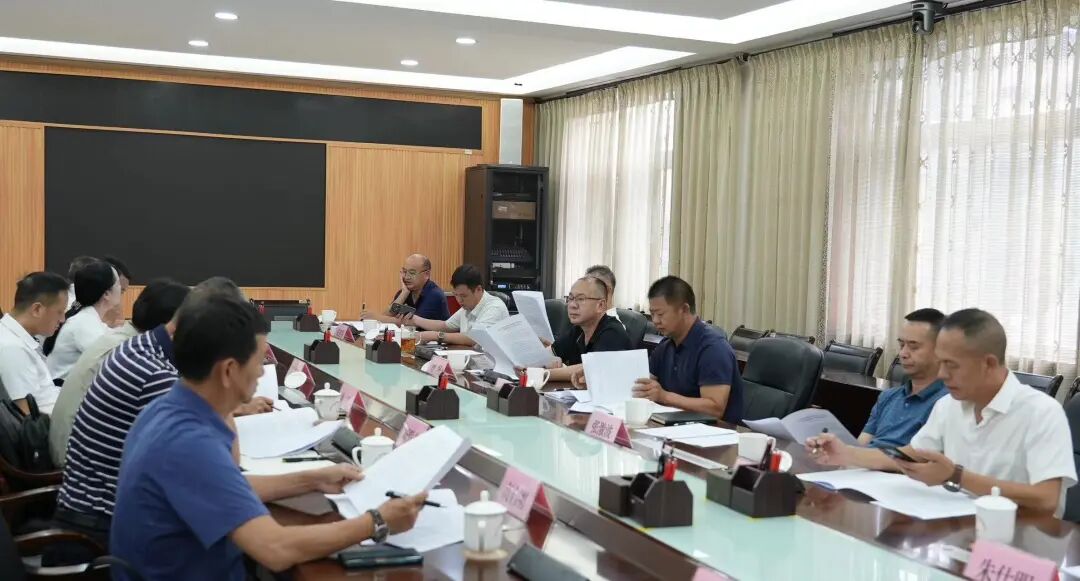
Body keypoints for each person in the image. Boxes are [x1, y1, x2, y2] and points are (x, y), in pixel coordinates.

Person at [110, 294, 426, 578]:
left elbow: (222, 486)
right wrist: (376, 521)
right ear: (228, 370)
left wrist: (312, 479)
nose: (262, 371)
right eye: (259, 360)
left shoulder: (168, 408)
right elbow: (275, 549)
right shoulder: (189, 442)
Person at [51, 278, 273, 560]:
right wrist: (229, 391)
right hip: (100, 529)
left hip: (97, 511)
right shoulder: (156, 374)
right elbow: (231, 472)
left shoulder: (142, 347)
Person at [806, 309, 1077, 516]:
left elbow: (1047, 499)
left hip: (1021, 538)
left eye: (951, 365)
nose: (943, 374)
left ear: (988, 363)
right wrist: (846, 453)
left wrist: (957, 476)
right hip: (953, 523)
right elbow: (909, 454)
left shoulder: (1041, 412)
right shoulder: (949, 406)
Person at [48, 278, 190, 467]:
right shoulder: (137, 357)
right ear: (172, 326)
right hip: (75, 459)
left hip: (77, 449)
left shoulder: (125, 340)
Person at [625, 276, 743, 424]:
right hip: (673, 426)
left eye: (660, 314)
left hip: (714, 432)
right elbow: (644, 384)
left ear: (684, 309)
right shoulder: (666, 346)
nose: (655, 321)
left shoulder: (713, 349)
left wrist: (664, 396)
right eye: (652, 314)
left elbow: (715, 408)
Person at [858, 309, 948, 449]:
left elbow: (917, 457)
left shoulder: (947, 403)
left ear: (940, 350)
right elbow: (861, 445)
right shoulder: (888, 397)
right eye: (901, 345)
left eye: (913, 347)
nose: (903, 353)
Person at [0, 272, 68, 414]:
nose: (62, 319)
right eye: (59, 312)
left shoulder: (19, 339)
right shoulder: (12, 349)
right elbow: (24, 417)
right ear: (37, 309)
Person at [46, 260, 123, 381]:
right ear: (106, 294)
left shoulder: (89, 318)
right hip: (61, 390)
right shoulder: (84, 323)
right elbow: (113, 362)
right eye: (118, 284)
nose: (121, 288)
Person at [545, 276, 631, 383]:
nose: (572, 305)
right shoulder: (578, 329)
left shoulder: (613, 331)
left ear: (600, 305)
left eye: (581, 299)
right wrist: (551, 359)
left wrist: (544, 374)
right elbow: (548, 353)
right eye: (570, 298)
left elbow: (592, 368)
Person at [402, 264, 508, 346]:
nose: (459, 300)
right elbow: (446, 326)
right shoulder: (468, 306)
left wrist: (433, 336)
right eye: (456, 295)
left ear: (478, 289)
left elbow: (473, 339)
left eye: (463, 296)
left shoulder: (494, 308)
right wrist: (415, 319)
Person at [361, 254, 449, 323]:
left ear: (427, 274)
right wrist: (404, 293)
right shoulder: (405, 292)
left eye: (412, 273)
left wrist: (377, 318)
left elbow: (412, 323)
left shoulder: (435, 295)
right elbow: (387, 315)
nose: (406, 277)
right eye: (404, 272)